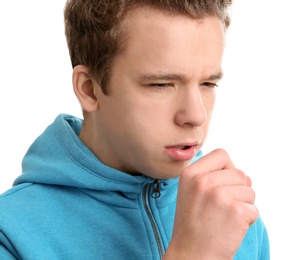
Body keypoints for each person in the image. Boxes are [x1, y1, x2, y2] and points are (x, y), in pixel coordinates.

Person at [0, 0, 270, 259]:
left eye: (208, 84)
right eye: (162, 84)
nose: (196, 115)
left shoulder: (230, 212)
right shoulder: (10, 234)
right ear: (89, 89)